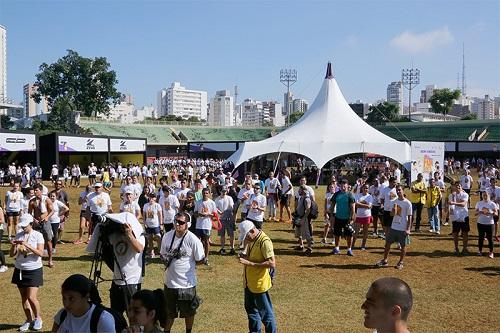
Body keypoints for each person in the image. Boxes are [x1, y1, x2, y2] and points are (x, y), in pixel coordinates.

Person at [160, 212, 204, 333]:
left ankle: (188, 331)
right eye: (176, 221)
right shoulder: (167, 236)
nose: (177, 224)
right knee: (169, 313)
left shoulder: (193, 240)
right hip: (169, 283)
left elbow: (200, 259)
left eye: (181, 222)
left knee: (189, 312)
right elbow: (162, 254)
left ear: (188, 224)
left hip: (186, 285)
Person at [237, 220, 277, 333]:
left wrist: (250, 263)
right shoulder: (252, 239)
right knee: (251, 311)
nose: (246, 239)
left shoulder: (265, 241)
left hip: (259, 285)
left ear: (252, 230)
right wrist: (243, 255)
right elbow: (249, 255)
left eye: (246, 236)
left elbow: (272, 263)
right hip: (249, 283)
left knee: (266, 315)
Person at [10, 214, 45, 331]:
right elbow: (11, 255)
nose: (23, 228)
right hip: (20, 269)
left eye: (25, 226)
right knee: (24, 297)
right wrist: (13, 246)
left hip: (34, 269)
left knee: (31, 297)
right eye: (22, 226)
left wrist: (27, 245)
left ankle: (38, 318)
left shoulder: (38, 235)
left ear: (31, 224)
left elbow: (41, 253)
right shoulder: (19, 235)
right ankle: (28, 319)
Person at [376, 185, 412, 270]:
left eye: (399, 190)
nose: (398, 192)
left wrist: (408, 229)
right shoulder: (394, 201)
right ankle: (385, 260)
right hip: (394, 227)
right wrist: (393, 211)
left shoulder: (407, 203)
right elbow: (392, 215)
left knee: (403, 246)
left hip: (402, 228)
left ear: (403, 191)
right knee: (387, 244)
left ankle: (400, 262)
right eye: (397, 190)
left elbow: (410, 217)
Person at [29, 183, 55, 268]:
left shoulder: (46, 199)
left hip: (45, 222)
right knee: (36, 241)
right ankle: (37, 259)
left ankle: (50, 259)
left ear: (41, 191)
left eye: (37, 190)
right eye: (34, 190)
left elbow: (52, 210)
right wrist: (33, 219)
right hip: (36, 223)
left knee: (48, 241)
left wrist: (47, 218)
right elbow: (29, 213)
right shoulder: (32, 201)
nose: (35, 192)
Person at [329, 179, 356, 256]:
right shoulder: (336, 194)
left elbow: (353, 208)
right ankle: (337, 248)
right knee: (337, 234)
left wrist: (352, 219)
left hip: (347, 218)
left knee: (349, 234)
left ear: (347, 186)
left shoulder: (350, 195)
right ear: (339, 186)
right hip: (338, 217)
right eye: (341, 185)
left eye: (345, 185)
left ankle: (349, 250)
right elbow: (332, 205)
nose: (343, 186)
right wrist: (331, 216)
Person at [194, 188, 217, 265]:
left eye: (207, 193)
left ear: (209, 194)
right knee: (198, 242)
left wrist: (208, 214)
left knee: (206, 242)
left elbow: (215, 215)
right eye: (204, 193)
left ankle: (206, 258)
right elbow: (195, 214)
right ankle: (198, 257)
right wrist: (199, 214)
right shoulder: (198, 202)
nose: (205, 194)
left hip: (207, 225)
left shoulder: (212, 203)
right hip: (199, 225)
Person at [475, 191, 498, 258]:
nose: (485, 197)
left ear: (489, 196)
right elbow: (475, 213)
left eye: (486, 195)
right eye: (483, 195)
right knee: (481, 237)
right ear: (482, 196)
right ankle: (480, 251)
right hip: (480, 223)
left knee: (490, 238)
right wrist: (480, 212)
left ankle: (491, 252)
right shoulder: (479, 203)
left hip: (490, 223)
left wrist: (491, 213)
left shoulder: (492, 204)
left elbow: (496, 214)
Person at [448, 184, 470, 255]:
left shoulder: (465, 195)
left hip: (464, 216)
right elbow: (449, 206)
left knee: (465, 233)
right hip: (455, 217)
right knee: (455, 233)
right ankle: (456, 248)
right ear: (453, 187)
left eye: (459, 186)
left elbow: (463, 204)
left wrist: (454, 203)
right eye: (456, 186)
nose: (458, 188)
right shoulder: (451, 196)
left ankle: (465, 248)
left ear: (461, 187)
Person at [216, 185, 236, 255]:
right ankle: (222, 248)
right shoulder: (217, 199)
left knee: (231, 234)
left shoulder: (229, 198)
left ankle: (232, 248)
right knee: (222, 235)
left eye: (225, 191)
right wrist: (219, 212)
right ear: (220, 191)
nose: (224, 192)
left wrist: (223, 213)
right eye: (222, 191)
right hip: (221, 219)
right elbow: (216, 208)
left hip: (229, 218)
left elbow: (231, 207)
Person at [352, 184, 373, 250]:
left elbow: (369, 206)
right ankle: (352, 245)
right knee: (356, 232)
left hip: (367, 216)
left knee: (365, 232)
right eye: (364, 188)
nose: (366, 189)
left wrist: (360, 204)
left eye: (367, 188)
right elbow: (355, 205)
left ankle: (363, 245)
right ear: (362, 188)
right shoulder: (358, 195)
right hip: (358, 216)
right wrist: (365, 205)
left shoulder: (370, 196)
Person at [143, 193, 163, 258]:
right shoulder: (146, 205)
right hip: (148, 225)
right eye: (150, 197)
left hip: (156, 225)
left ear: (155, 198)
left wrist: (161, 224)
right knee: (149, 238)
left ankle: (160, 252)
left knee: (158, 238)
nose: (151, 199)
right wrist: (145, 223)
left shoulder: (157, 205)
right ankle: (152, 252)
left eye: (153, 197)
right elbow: (144, 215)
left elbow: (160, 215)